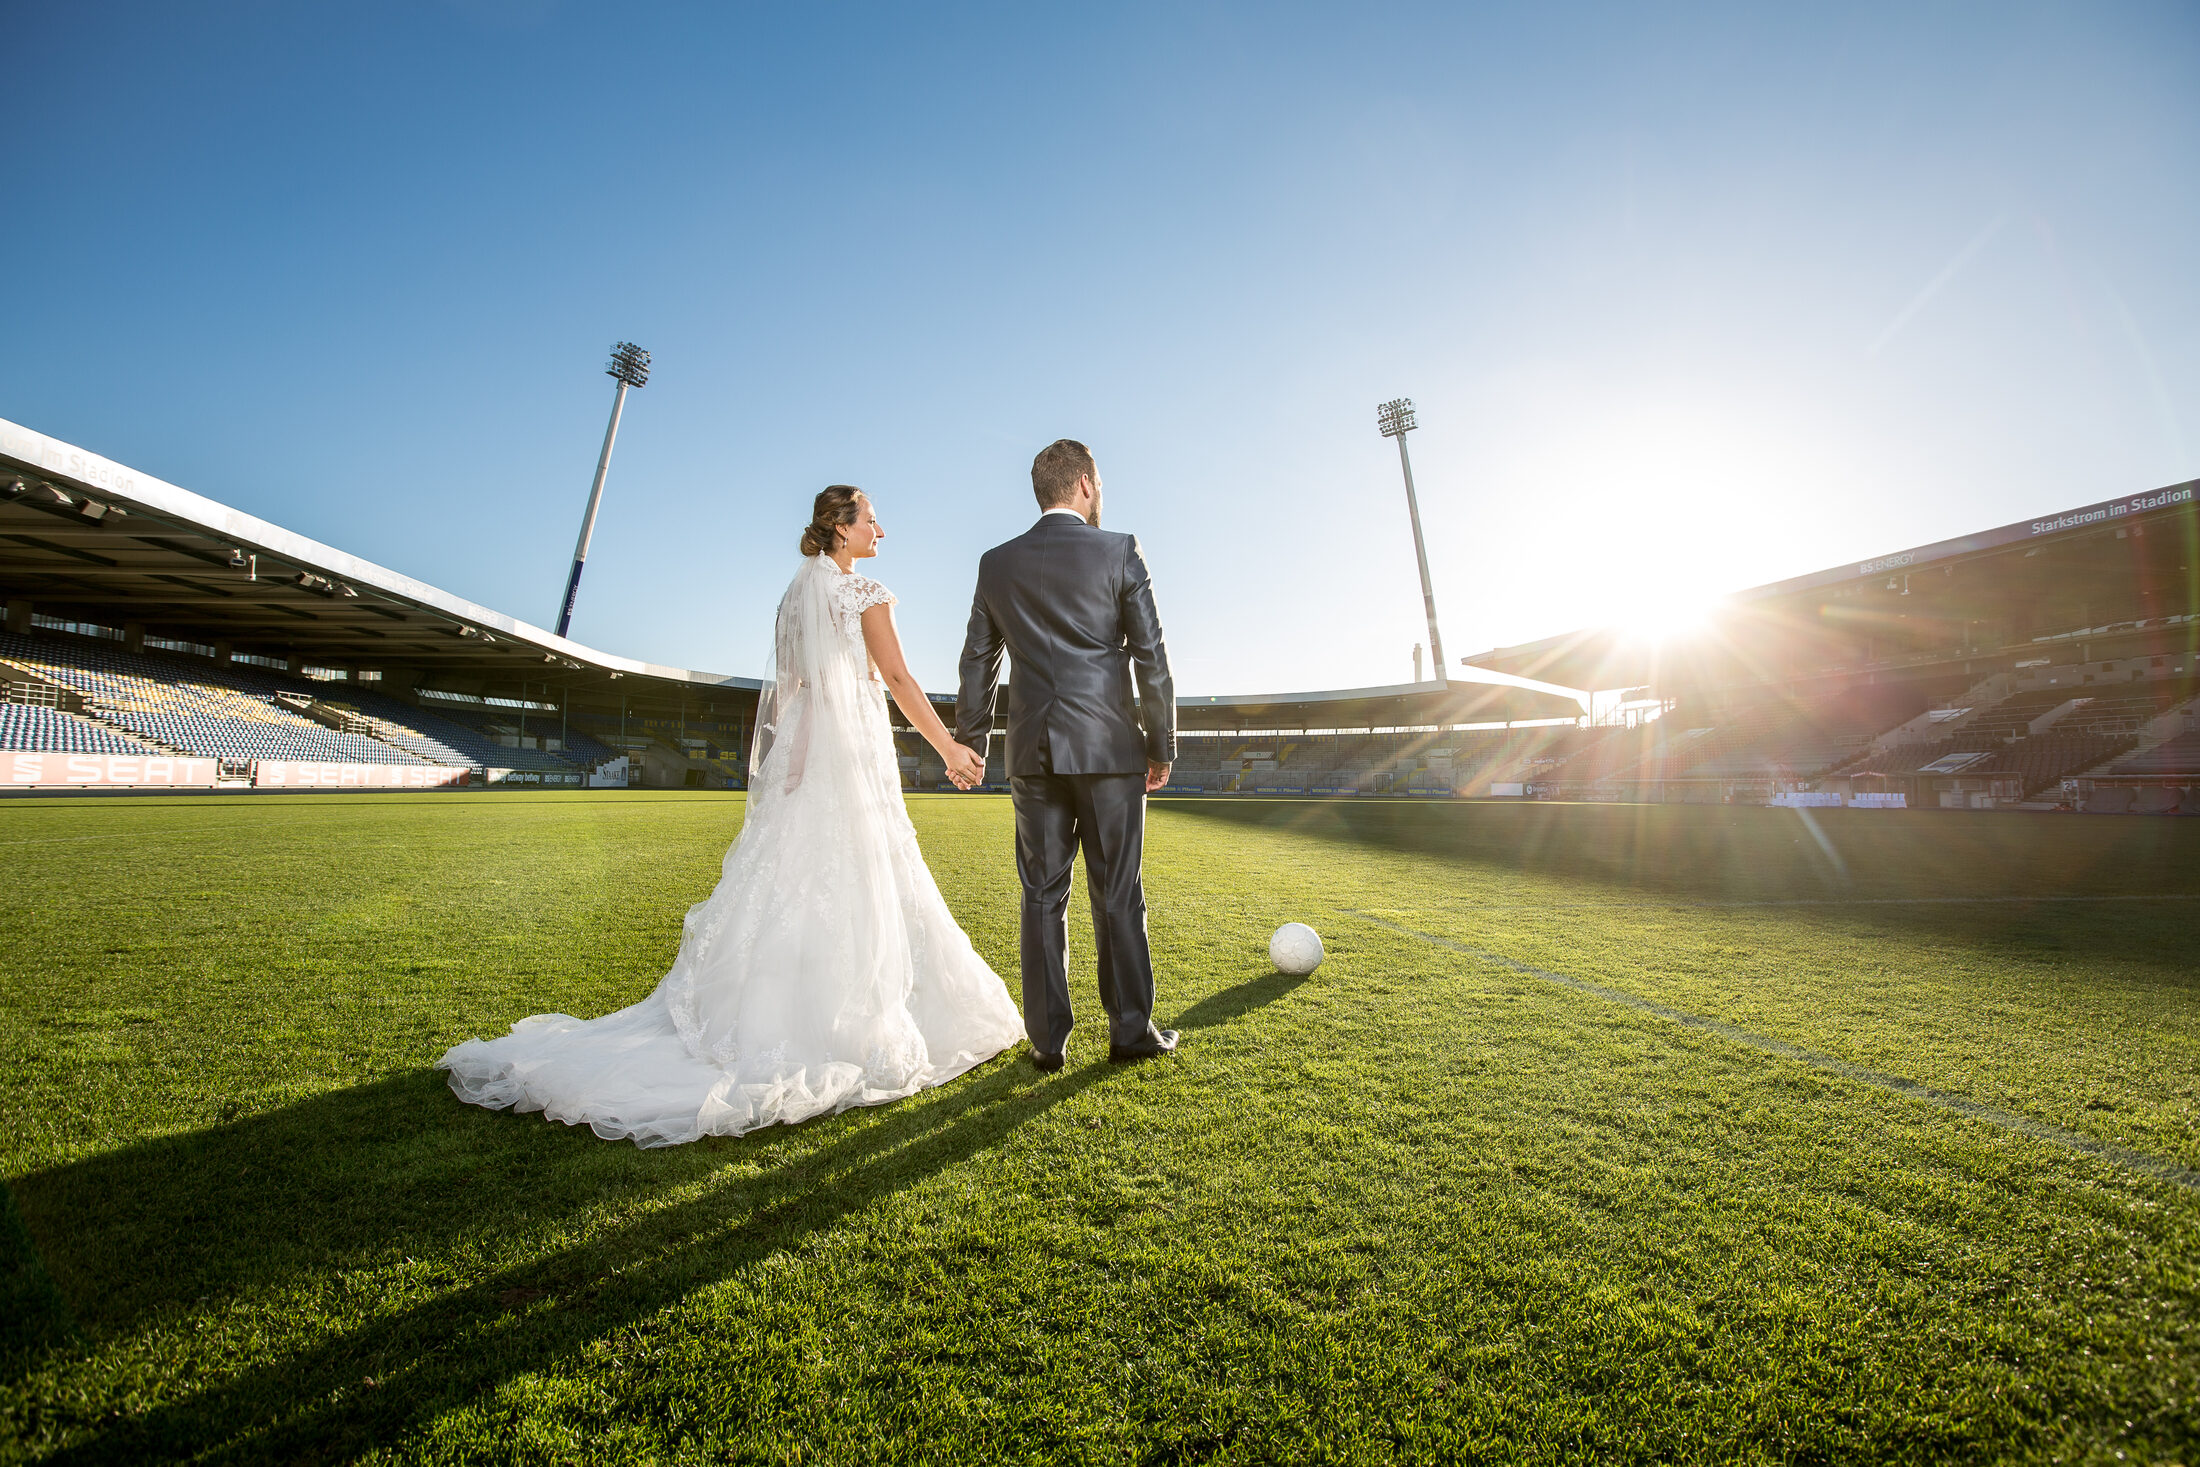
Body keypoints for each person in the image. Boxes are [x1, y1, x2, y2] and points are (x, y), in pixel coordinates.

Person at [437, 486, 1024, 1146]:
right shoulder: (866, 594)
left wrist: (792, 768)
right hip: (852, 752)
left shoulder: (795, 599)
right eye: (870, 519)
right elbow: (898, 679)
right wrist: (949, 747)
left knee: (798, 878)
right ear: (839, 529)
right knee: (859, 871)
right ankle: (846, 1022)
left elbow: (791, 696)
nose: (880, 529)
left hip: (814, 752)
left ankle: (780, 1013)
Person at [955, 439, 1178, 1071]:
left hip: (1032, 754)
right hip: (1110, 752)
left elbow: (978, 662)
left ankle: (1047, 1041)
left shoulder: (995, 563)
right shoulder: (1120, 549)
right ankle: (1130, 1032)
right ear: (1084, 483)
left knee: (1041, 895)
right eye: (1099, 483)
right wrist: (1158, 746)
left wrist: (971, 744)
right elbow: (1150, 659)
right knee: (1117, 893)